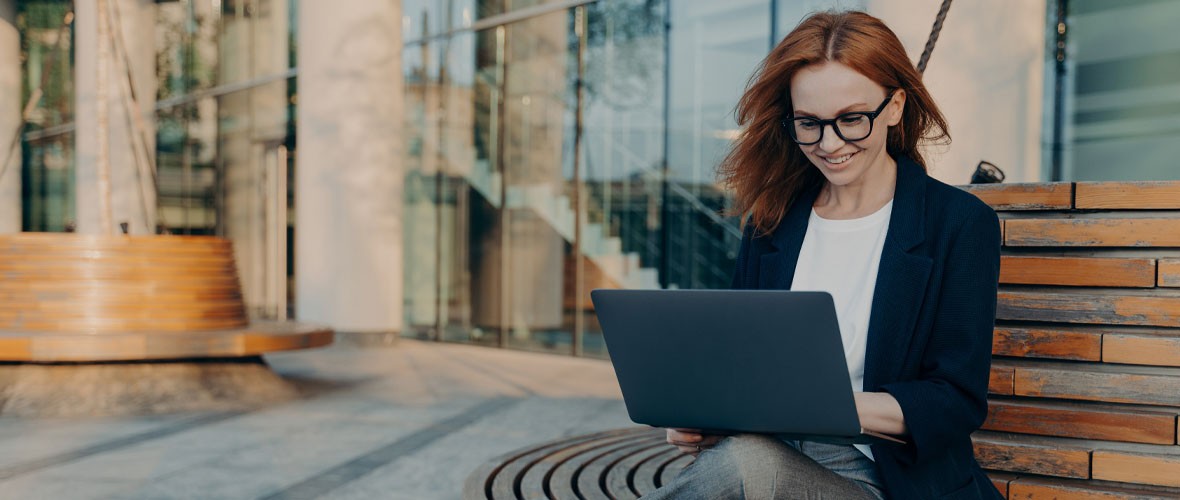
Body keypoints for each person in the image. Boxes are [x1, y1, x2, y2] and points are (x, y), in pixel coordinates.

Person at [643, 10, 1002, 500]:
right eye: (809, 123)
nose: (829, 144)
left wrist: (822, 407)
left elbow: (955, 401)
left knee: (743, 466)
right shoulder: (772, 221)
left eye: (851, 119)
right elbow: (740, 365)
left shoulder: (958, 223)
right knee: (739, 461)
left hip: (889, 479)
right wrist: (709, 416)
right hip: (772, 454)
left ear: (894, 106)